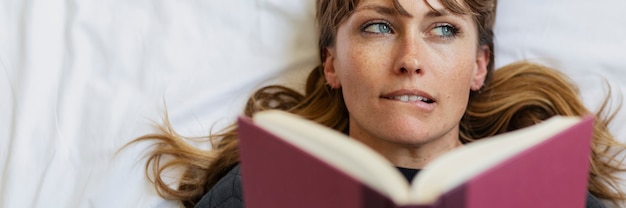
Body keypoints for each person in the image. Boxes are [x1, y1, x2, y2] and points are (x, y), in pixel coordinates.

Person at [130, 0, 626, 207]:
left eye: (444, 29)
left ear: (479, 67)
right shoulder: (256, 190)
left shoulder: (549, 195)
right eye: (379, 26)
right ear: (331, 63)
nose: (411, 59)